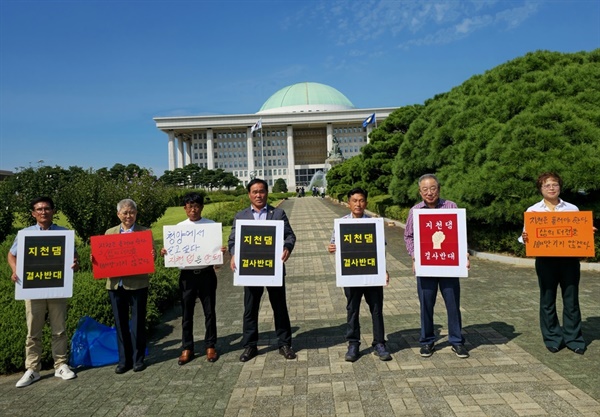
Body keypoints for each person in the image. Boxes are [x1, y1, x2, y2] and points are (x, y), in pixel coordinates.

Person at [521, 172, 596, 355]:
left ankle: (574, 338)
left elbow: (579, 232)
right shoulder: (533, 211)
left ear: (559, 187)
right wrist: (525, 237)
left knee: (571, 299)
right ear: (541, 189)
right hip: (545, 261)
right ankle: (553, 337)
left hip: (569, 261)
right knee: (547, 300)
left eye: (554, 184)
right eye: (547, 185)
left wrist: (587, 232)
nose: (551, 188)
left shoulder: (572, 208)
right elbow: (525, 237)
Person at [7, 196, 79, 387]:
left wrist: (75, 263)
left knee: (59, 329)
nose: (43, 212)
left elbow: (74, 257)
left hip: (57, 288)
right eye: (39, 209)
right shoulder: (25, 234)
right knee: (33, 331)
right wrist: (15, 270)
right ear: (33, 213)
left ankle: (61, 365)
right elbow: (11, 254)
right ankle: (32, 369)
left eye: (47, 208)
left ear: (53, 211)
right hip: (32, 289)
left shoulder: (64, 233)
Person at [228, 178, 297, 362]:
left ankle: (284, 343)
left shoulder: (278, 213)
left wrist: (287, 248)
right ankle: (250, 346)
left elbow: (290, 235)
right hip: (251, 270)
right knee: (250, 309)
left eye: (262, 191)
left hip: (273, 269)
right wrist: (234, 254)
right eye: (254, 192)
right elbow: (233, 240)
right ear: (249, 194)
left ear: (267, 192)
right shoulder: (241, 216)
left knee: (279, 307)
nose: (258, 195)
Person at [404, 174, 470, 359]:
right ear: (420, 192)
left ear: (439, 189)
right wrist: (414, 256)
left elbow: (459, 235)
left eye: (433, 188)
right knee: (426, 304)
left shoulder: (451, 207)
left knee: (453, 303)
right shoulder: (415, 211)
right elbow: (408, 236)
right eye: (425, 189)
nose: (429, 193)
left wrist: (463, 255)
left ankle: (456, 341)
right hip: (426, 266)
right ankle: (427, 341)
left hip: (448, 265)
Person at [160, 192, 226, 365]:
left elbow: (216, 251)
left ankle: (210, 345)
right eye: (190, 207)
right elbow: (173, 250)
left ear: (201, 207)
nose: (193, 210)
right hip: (187, 277)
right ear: (185, 208)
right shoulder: (179, 228)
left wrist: (220, 253)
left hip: (206, 274)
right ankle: (187, 347)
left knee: (209, 311)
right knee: (186, 314)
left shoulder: (210, 226)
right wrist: (166, 252)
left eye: (197, 206)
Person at [327, 187, 392, 362]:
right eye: (354, 200)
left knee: (376, 309)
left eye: (361, 200)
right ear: (349, 203)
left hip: (372, 273)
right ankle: (353, 343)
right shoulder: (341, 223)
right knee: (352, 309)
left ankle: (379, 343)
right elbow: (333, 244)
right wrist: (331, 247)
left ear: (366, 203)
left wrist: (384, 270)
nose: (358, 204)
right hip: (351, 274)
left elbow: (381, 249)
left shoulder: (373, 223)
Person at [103, 199, 155, 373]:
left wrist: (152, 255)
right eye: (125, 213)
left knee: (138, 323)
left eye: (131, 212)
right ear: (118, 214)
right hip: (115, 284)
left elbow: (151, 258)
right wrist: (97, 259)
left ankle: (138, 359)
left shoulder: (145, 232)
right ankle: (123, 360)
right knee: (120, 323)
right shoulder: (109, 233)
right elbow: (103, 257)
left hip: (138, 283)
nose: (128, 216)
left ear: (136, 213)